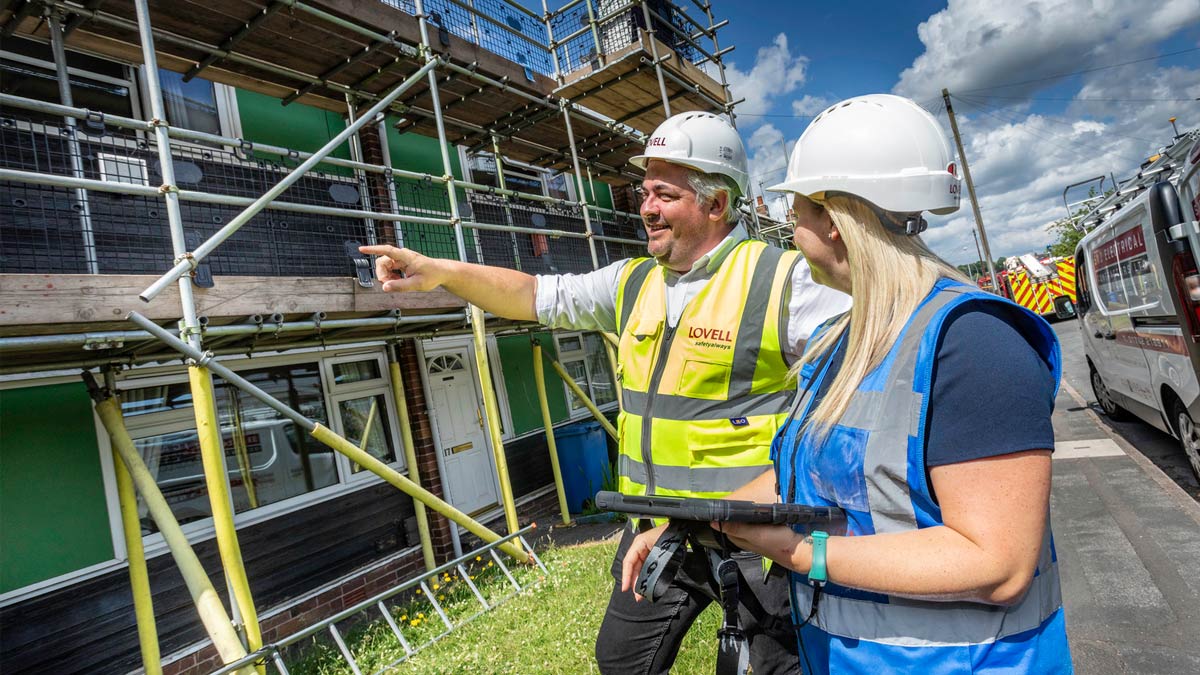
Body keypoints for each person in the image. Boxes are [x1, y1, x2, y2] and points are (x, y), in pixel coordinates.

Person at [362, 111, 850, 675]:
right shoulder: (632, 280)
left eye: (663, 195)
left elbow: (859, 386)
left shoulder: (786, 281)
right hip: (656, 527)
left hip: (754, 537)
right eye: (644, 192)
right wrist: (440, 271)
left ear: (716, 205)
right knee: (622, 662)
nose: (645, 208)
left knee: (774, 669)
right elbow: (534, 294)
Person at [622, 94, 1073, 673]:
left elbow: (998, 563)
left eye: (798, 209)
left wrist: (799, 553)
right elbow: (801, 477)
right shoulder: (846, 339)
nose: (789, 224)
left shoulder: (974, 342)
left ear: (834, 222)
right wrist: (685, 520)